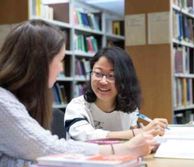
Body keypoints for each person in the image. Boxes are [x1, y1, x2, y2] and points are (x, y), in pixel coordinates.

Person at [0, 19, 156, 167]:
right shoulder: (3, 102)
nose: (61, 69)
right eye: (60, 60)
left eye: (111, 76)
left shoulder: (23, 101)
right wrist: (125, 146)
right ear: (40, 62)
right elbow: (45, 147)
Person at [64, 46, 168, 141]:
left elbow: (132, 142)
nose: (103, 81)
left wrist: (147, 137)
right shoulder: (76, 107)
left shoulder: (130, 108)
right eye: (98, 74)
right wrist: (137, 133)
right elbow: (88, 137)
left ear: (125, 80)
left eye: (111, 76)